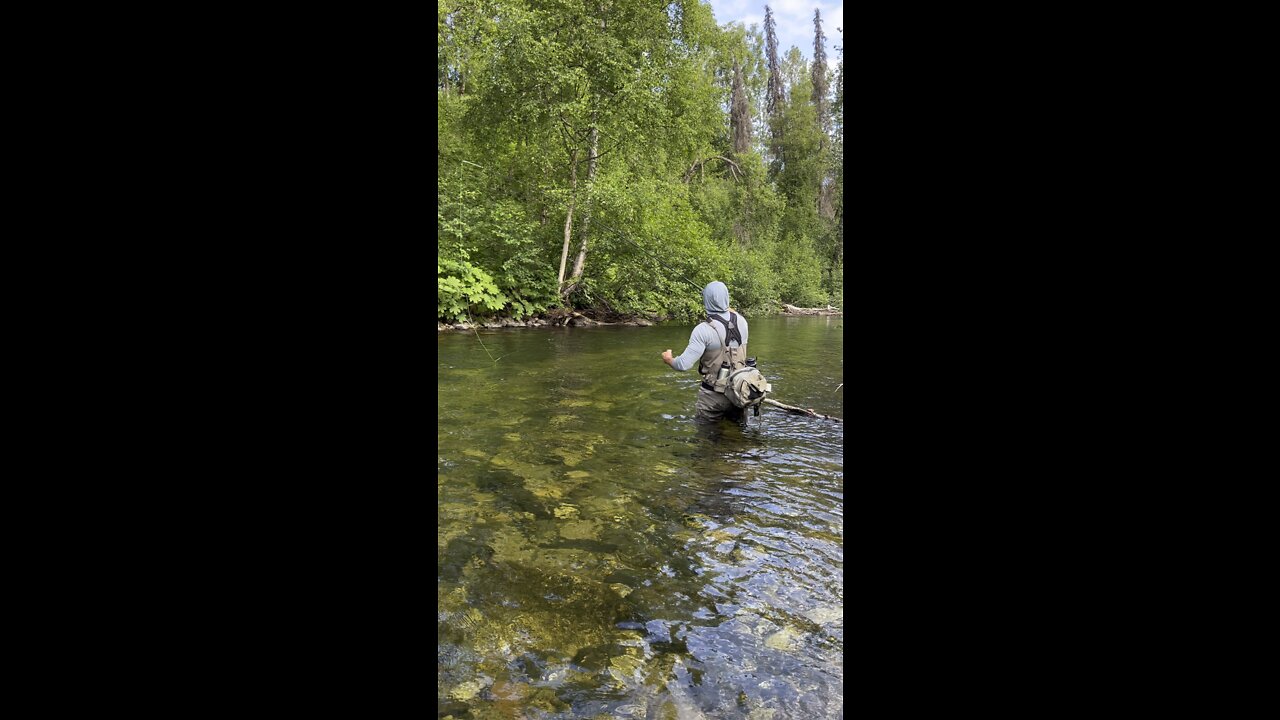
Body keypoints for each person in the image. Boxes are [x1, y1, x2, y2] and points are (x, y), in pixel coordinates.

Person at [661, 281, 750, 424]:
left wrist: (669, 359)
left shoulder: (703, 329)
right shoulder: (743, 322)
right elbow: (731, 316)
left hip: (713, 396)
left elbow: (683, 365)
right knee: (737, 437)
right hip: (740, 393)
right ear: (726, 297)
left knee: (706, 440)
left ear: (706, 300)